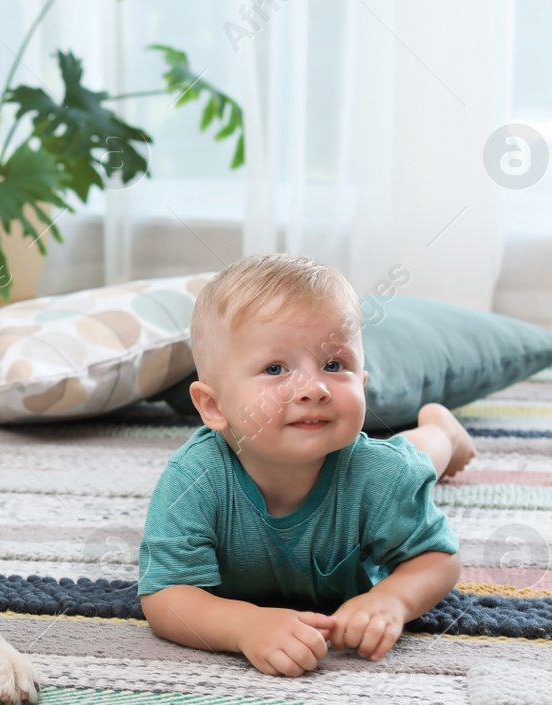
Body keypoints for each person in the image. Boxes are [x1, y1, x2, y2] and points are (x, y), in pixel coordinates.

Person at [139, 254, 472, 677]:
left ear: (362, 382)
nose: (313, 388)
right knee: (406, 458)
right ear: (214, 405)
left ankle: (443, 430)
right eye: (275, 369)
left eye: (335, 365)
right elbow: (165, 595)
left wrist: (393, 599)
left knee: (415, 457)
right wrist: (244, 626)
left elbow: (439, 558)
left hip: (385, 466)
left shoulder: (382, 476)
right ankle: (439, 432)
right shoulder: (194, 479)